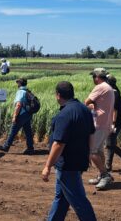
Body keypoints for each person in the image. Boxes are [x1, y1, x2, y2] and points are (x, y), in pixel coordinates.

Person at [42, 81, 96, 221]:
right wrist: (89, 153)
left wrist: (47, 166)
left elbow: (59, 144)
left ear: (58, 95)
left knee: (79, 200)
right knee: (61, 198)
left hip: (67, 165)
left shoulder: (64, 114)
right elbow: (90, 135)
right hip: (79, 161)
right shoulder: (84, 110)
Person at [84, 68, 115, 190]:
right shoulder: (108, 87)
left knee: (92, 152)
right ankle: (101, 175)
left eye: (93, 77)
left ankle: (105, 175)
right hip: (105, 124)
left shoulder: (100, 87)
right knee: (99, 151)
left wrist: (92, 105)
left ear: (97, 77)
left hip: (99, 124)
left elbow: (86, 102)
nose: (92, 79)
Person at [0, 78, 34, 155]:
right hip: (28, 114)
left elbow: (18, 104)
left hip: (21, 114)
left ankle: (6, 146)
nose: (17, 84)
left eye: (18, 83)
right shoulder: (28, 91)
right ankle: (30, 148)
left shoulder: (20, 92)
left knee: (13, 130)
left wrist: (14, 116)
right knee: (28, 132)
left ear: (20, 84)